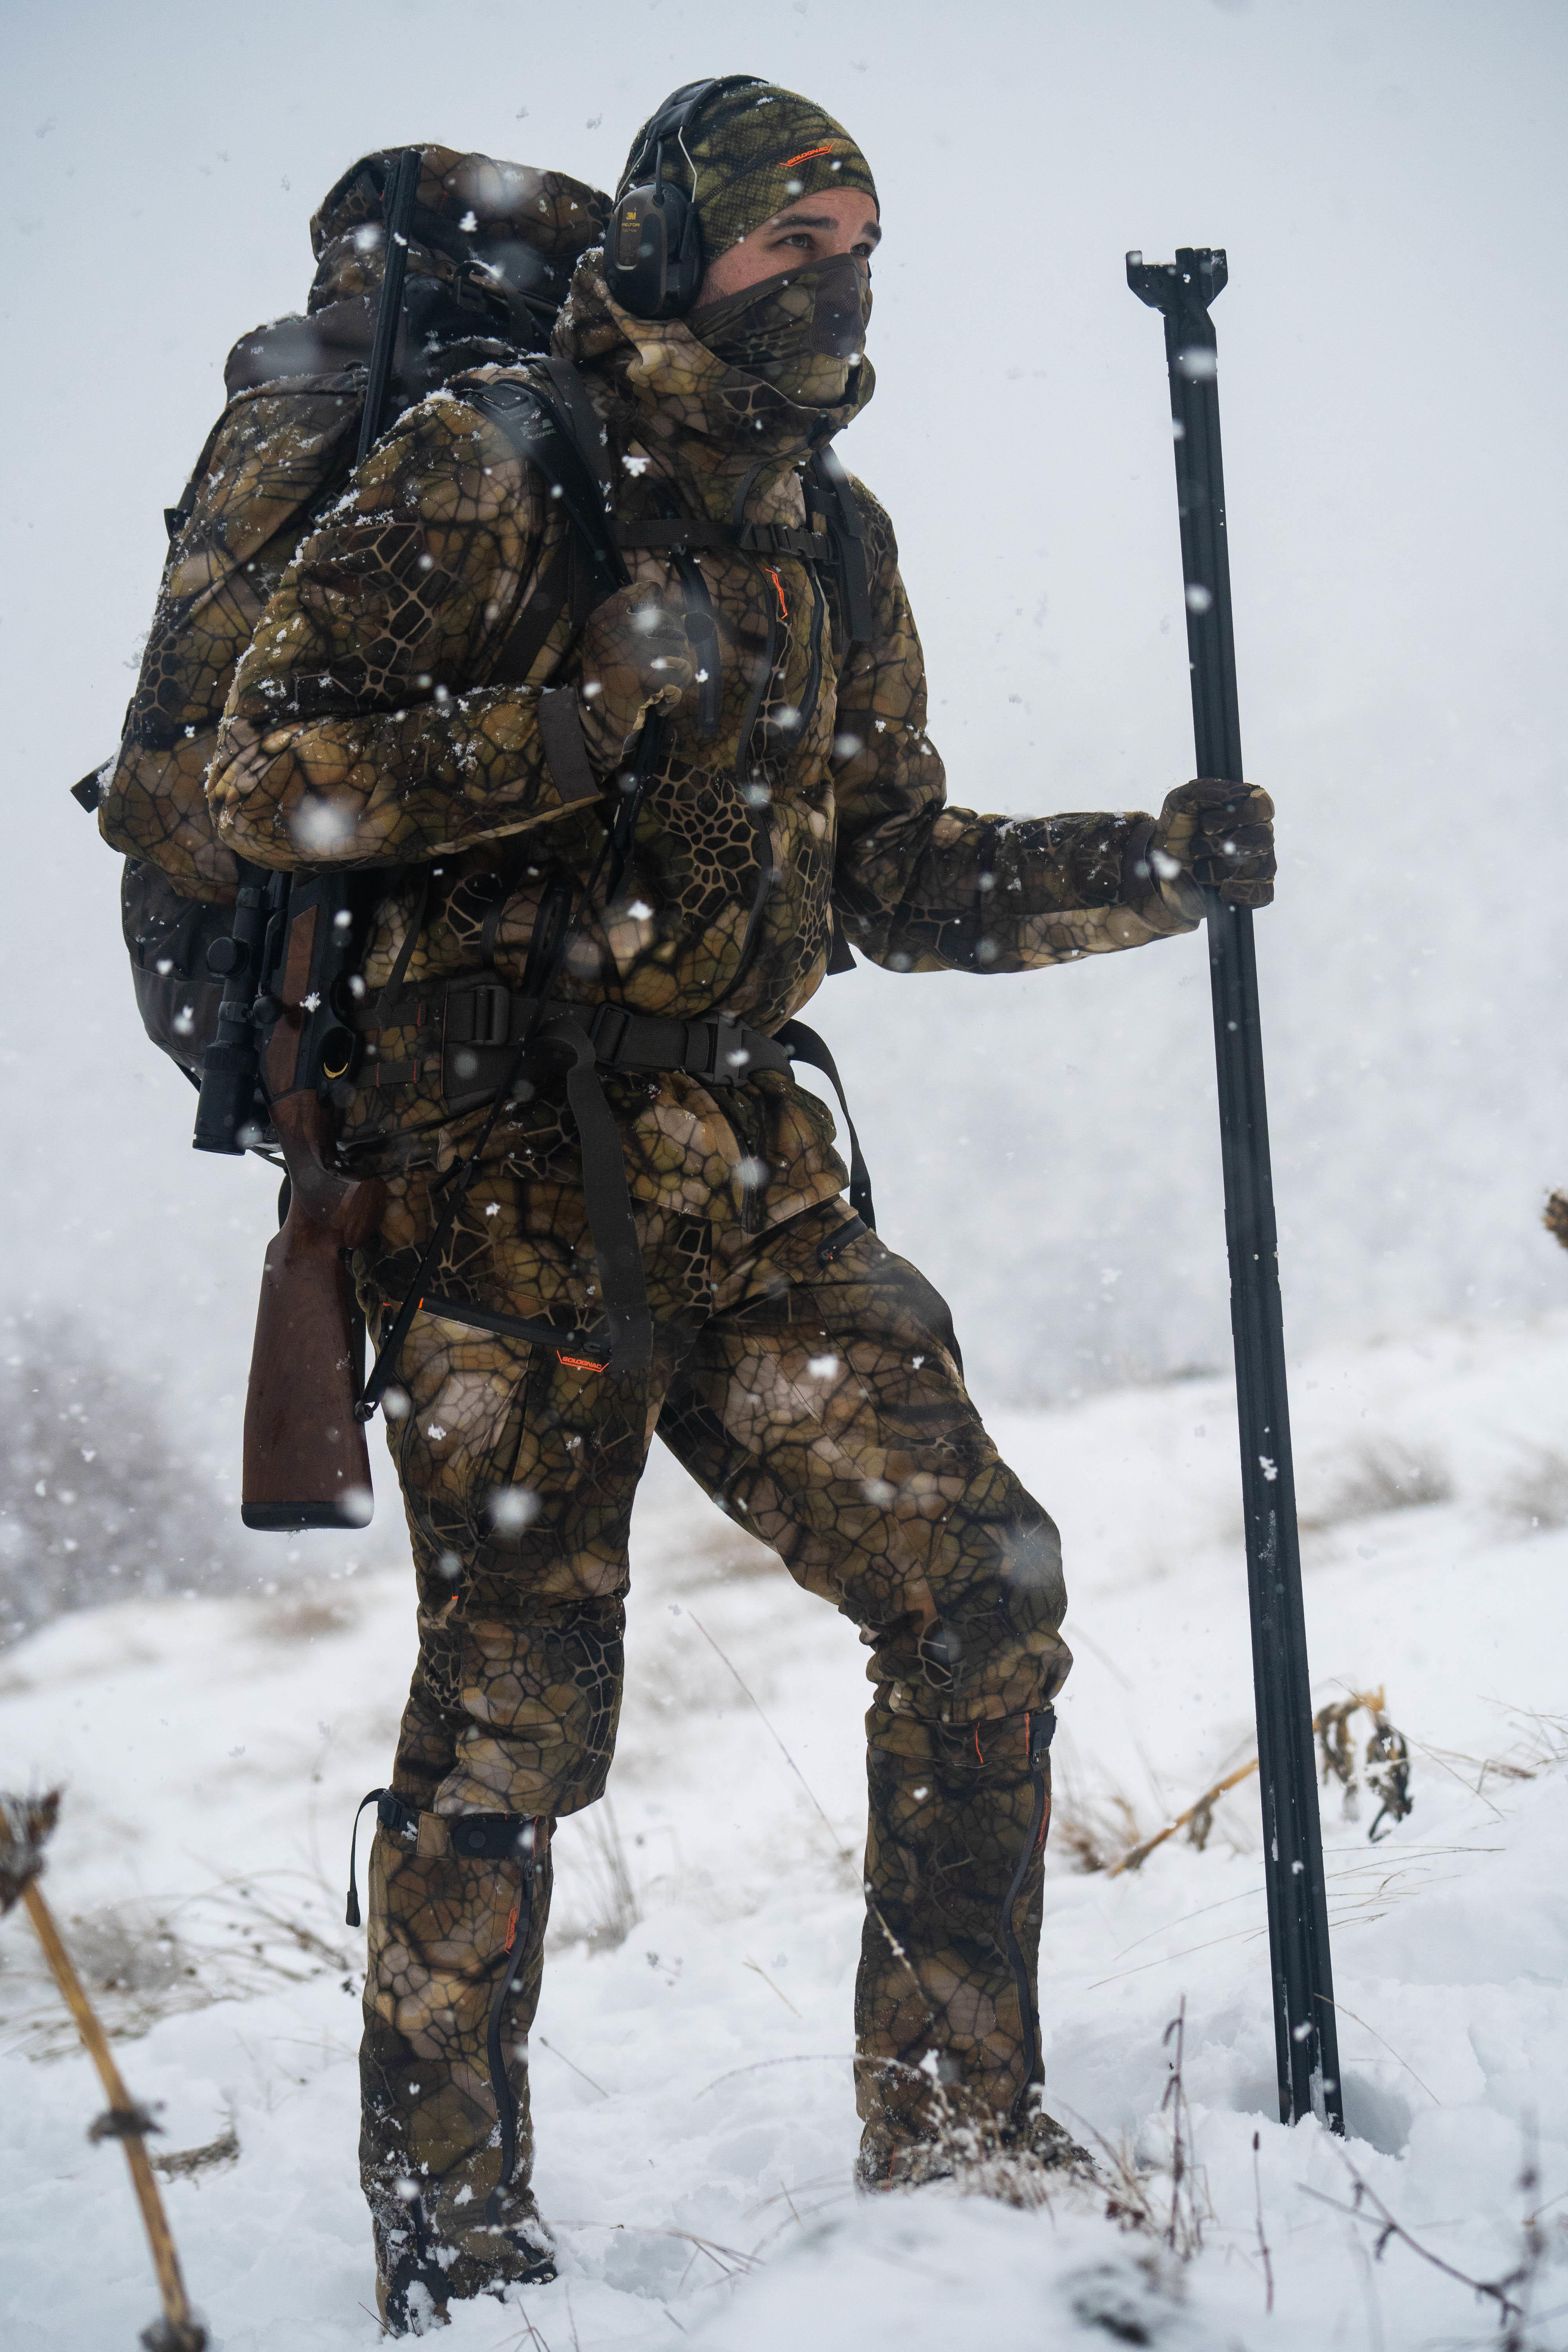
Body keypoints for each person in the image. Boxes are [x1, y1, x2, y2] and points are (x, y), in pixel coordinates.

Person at [200, 76, 1274, 2332]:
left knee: (982, 1594)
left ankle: (958, 2126)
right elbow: (219, 794)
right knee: (513, 1723)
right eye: (795, 245)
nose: (839, 280)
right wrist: (559, 736)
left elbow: (895, 875)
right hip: (501, 1177)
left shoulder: (831, 537)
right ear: (690, 252)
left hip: (749, 1173)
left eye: (861, 241)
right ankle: (460, 2248)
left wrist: (1153, 870)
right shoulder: (492, 471)